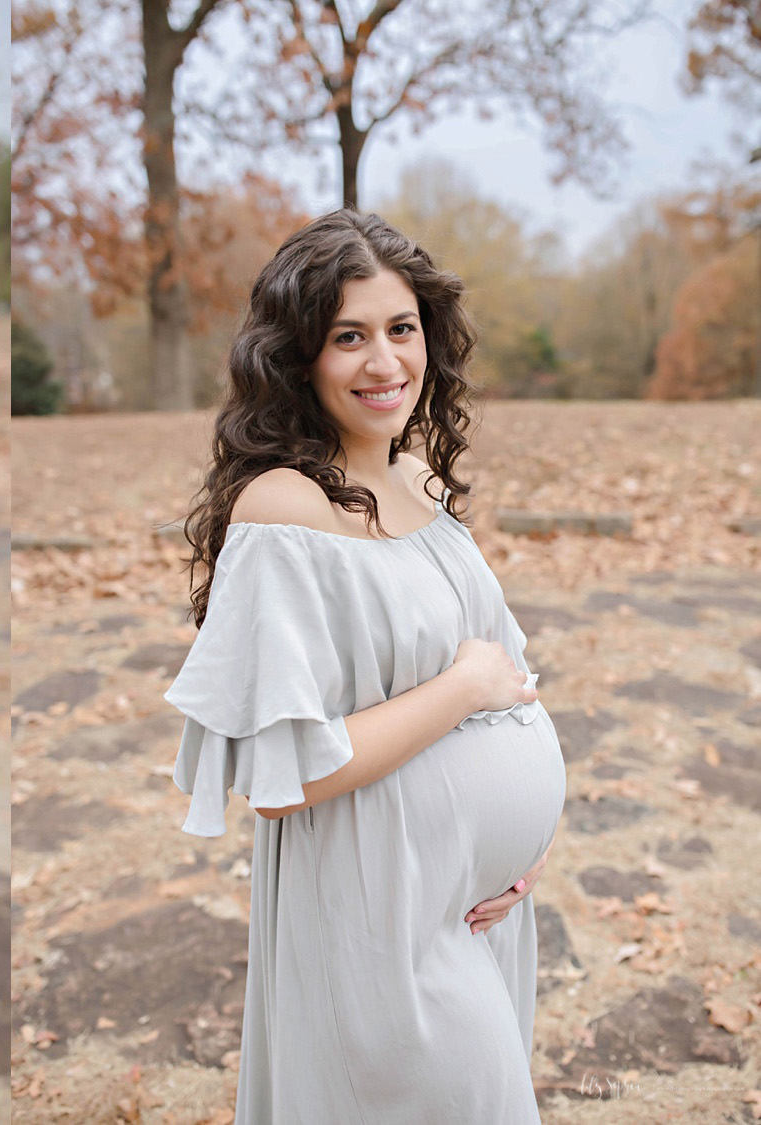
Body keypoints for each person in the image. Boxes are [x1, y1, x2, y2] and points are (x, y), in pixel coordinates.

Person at [165, 209, 564, 1123]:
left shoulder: (419, 480)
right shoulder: (282, 511)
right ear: (296, 355)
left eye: (401, 329)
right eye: (349, 336)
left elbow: (510, 669)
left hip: (474, 909)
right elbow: (285, 775)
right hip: (378, 915)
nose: (385, 362)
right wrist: (461, 688)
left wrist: (523, 849)